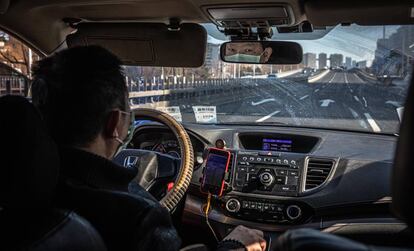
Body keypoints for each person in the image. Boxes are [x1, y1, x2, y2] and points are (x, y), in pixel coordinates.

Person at [31, 46, 267, 251]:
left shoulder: (19, 185)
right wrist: (233, 246)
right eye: (128, 112)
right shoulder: (138, 217)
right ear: (115, 123)